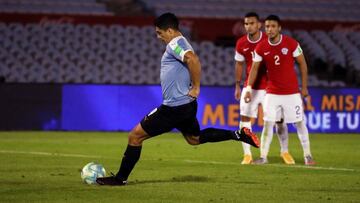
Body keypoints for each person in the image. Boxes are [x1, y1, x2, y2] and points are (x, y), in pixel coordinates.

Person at [96, 13, 260, 186]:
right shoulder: (179, 42)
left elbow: (193, 59)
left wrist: (196, 87)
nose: (158, 37)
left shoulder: (176, 43)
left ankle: (120, 178)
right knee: (194, 139)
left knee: (135, 136)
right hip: (186, 106)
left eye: (160, 33)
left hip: (174, 108)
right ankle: (238, 134)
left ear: (170, 30)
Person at [244, 15, 315, 165]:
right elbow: (254, 69)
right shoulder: (261, 47)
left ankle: (308, 155)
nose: (269, 29)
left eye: (273, 26)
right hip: (272, 93)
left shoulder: (291, 44)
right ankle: (263, 156)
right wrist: (249, 88)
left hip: (292, 93)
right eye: (267, 26)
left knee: (300, 123)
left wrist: (304, 87)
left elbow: (303, 64)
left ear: (279, 28)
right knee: (268, 123)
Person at [234, 12, 295, 165]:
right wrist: (237, 85)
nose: (249, 26)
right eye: (246, 24)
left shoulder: (270, 40)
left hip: (271, 87)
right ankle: (247, 155)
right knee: (245, 120)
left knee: (280, 120)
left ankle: (285, 151)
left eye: (252, 23)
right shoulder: (241, 43)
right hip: (251, 87)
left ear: (259, 25)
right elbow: (239, 64)